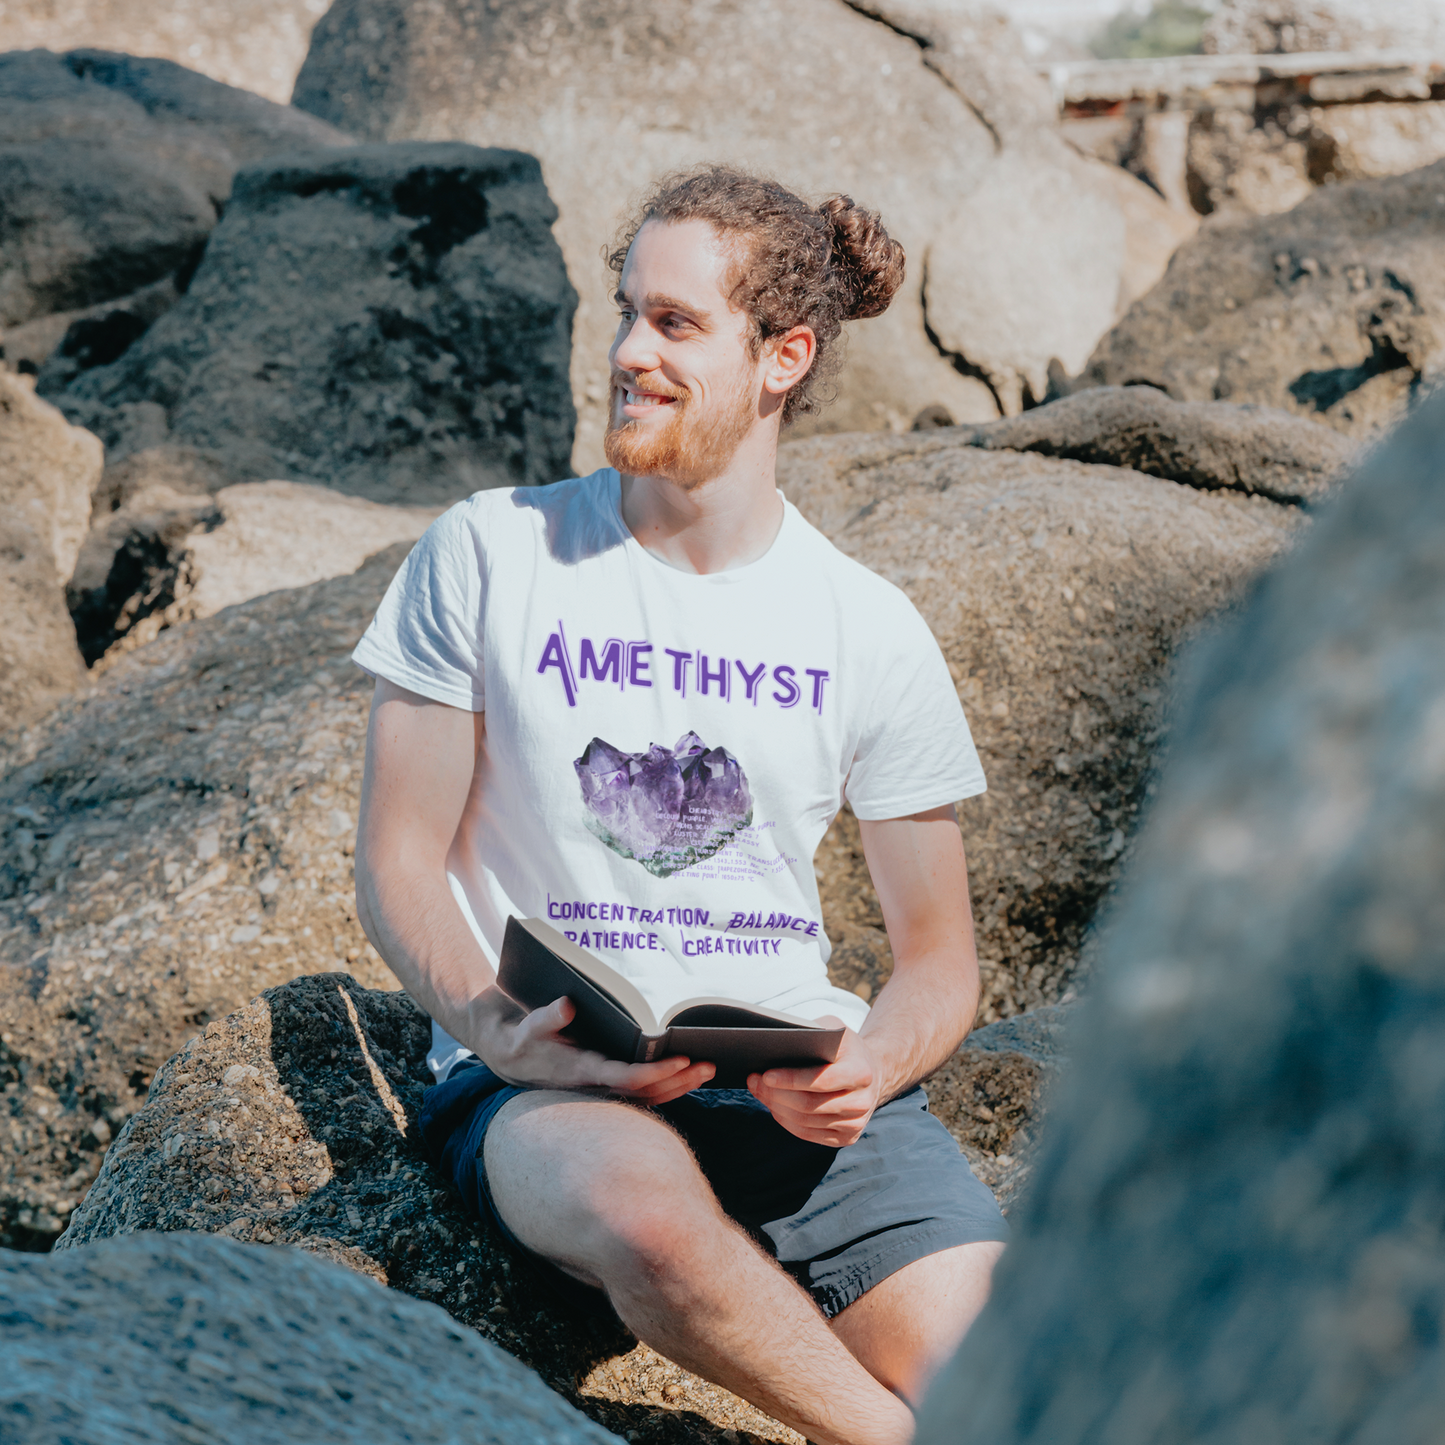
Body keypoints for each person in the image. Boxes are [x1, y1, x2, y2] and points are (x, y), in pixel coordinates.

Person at [352, 165, 1007, 1445]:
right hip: (553, 1080)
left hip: (794, 1093)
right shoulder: (491, 551)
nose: (627, 354)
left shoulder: (864, 625)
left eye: (674, 323)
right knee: (651, 1229)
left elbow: (939, 962)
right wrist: (492, 1027)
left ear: (784, 357)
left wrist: (872, 1059)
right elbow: (394, 860)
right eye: (623, 311)